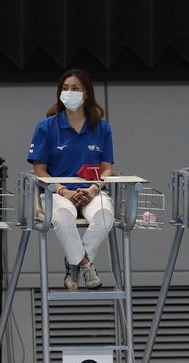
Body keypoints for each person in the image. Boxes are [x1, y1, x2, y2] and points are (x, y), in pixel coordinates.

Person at [28, 69, 114, 290]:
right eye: (65, 88)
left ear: (86, 93)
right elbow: (39, 170)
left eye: (75, 88)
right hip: (58, 192)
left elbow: (107, 169)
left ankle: (73, 263)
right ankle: (86, 263)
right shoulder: (46, 127)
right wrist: (63, 190)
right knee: (63, 217)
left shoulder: (102, 128)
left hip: (92, 191)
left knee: (105, 216)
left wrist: (95, 189)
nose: (69, 92)